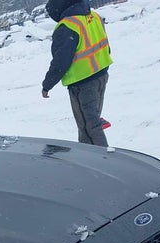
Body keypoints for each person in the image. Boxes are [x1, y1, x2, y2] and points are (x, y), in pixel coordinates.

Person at [41, 0, 113, 147]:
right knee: (90, 121)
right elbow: (105, 45)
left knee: (89, 126)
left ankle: (101, 157)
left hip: (83, 83)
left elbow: (60, 62)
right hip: (101, 75)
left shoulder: (68, 26)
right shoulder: (93, 16)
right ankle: (87, 153)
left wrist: (47, 84)